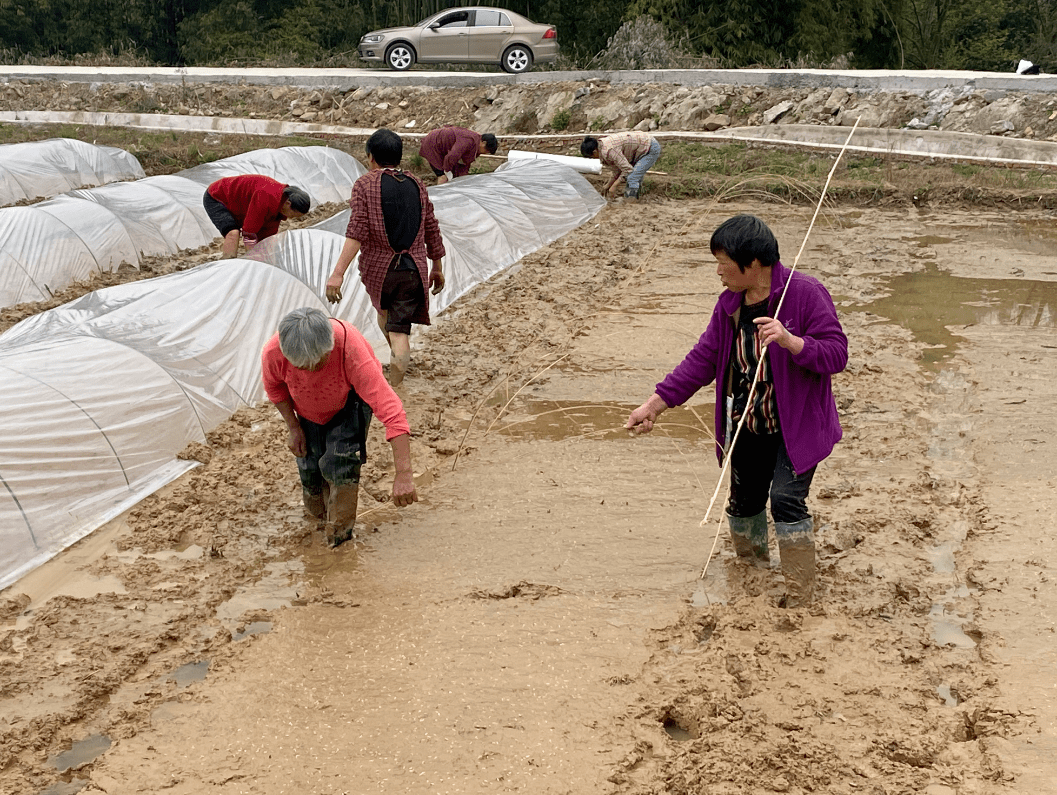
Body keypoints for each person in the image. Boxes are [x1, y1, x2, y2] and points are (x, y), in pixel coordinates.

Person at [625, 215, 847, 607]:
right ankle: (752, 577)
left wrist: (792, 342)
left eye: (723, 262)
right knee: (743, 503)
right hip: (746, 424)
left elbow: (836, 354)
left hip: (796, 429)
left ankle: (800, 594)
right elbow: (702, 360)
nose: (718, 272)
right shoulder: (729, 305)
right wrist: (654, 405)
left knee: (785, 501)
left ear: (753, 264)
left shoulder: (805, 294)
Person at [262, 307, 418, 548]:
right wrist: (293, 428)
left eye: (316, 364)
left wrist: (404, 475)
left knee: (339, 463)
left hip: (350, 403)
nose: (310, 371)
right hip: (306, 409)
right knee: (310, 468)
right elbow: (275, 390)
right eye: (302, 367)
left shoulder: (350, 350)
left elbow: (392, 413)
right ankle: (317, 523)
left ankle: (339, 541)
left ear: (329, 347)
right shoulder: (274, 352)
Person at [326, 129, 445, 388]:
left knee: (393, 326)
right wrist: (436, 265)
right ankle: (399, 363)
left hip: (382, 271)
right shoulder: (417, 184)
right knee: (392, 320)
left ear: (371, 157)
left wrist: (338, 273)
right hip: (413, 269)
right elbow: (431, 226)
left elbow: (357, 231)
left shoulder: (365, 184)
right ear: (399, 157)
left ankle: (398, 389)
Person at [204, 175, 311, 258]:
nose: (292, 218)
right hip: (218, 196)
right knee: (233, 233)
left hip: (239, 205)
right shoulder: (266, 197)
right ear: (288, 204)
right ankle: (227, 266)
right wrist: (254, 261)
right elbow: (249, 233)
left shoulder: (279, 208)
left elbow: (265, 238)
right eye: (294, 215)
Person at [580, 132, 662, 199]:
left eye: (591, 157)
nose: (594, 159)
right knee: (634, 176)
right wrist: (608, 185)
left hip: (649, 147)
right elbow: (617, 170)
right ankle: (634, 198)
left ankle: (631, 203)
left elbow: (627, 169)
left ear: (594, 152)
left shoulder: (609, 150)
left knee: (632, 177)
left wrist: (614, 186)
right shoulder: (602, 147)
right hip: (639, 148)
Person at [419, 125, 498, 184]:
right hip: (434, 144)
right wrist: (447, 170)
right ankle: (440, 199)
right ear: (483, 143)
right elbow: (453, 155)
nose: (485, 153)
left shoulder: (476, 146)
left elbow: (464, 163)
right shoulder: (469, 140)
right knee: (443, 177)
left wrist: (463, 178)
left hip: (445, 150)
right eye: (487, 150)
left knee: (458, 178)